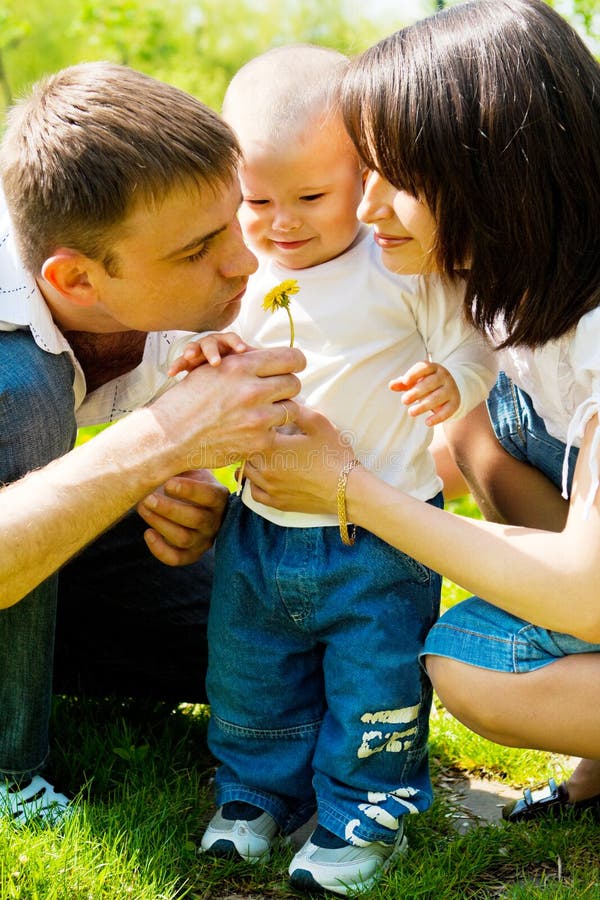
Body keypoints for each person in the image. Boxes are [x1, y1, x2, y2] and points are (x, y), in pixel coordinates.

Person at [239, 0, 600, 836]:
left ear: (495, 178)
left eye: (396, 180)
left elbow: (586, 592)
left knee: (473, 663)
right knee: (478, 423)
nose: (366, 211)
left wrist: (351, 490)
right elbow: (447, 437)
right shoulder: (515, 285)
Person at [171, 45, 496, 896]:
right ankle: (253, 794)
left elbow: (470, 342)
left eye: (312, 197)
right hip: (260, 524)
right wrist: (207, 353)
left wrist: (452, 378)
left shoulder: (394, 265)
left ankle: (365, 805)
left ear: (364, 175)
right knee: (248, 667)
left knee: (375, 675)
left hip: (378, 533)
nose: (281, 223)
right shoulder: (243, 277)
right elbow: (201, 349)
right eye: (256, 201)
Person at [0, 61, 303, 825]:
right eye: (197, 250)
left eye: (234, 220)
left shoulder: (175, 278)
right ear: (74, 281)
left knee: (284, 652)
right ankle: (8, 771)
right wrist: (164, 438)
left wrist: (186, 496)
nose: (241, 259)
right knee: (23, 393)